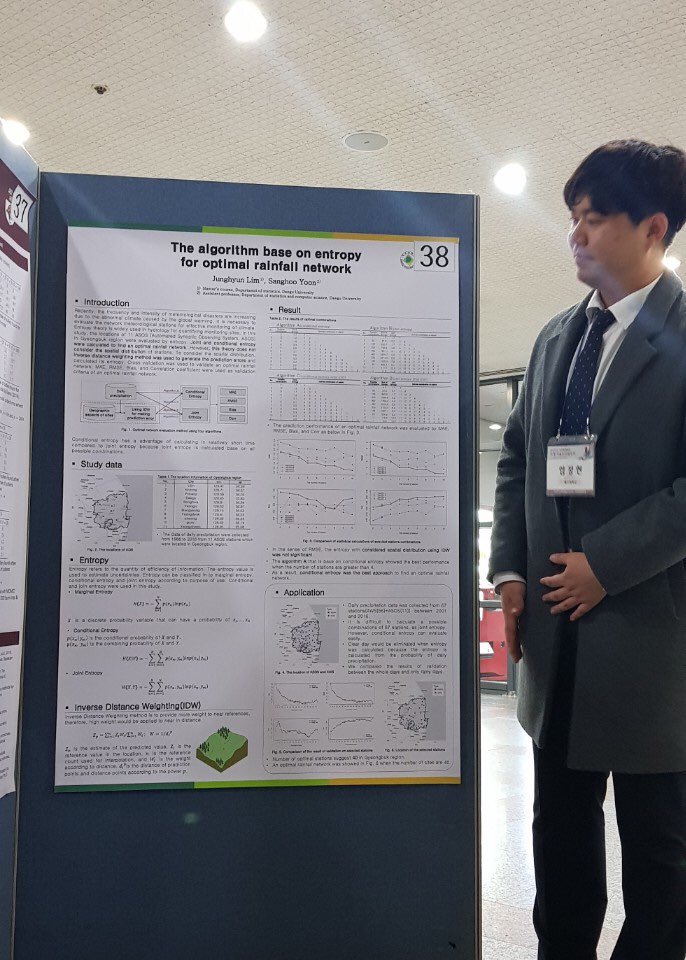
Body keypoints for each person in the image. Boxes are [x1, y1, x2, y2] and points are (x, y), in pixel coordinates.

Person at [488, 140, 686, 960]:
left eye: (594, 218)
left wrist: (605, 564)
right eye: (573, 216)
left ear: (653, 228)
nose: (575, 234)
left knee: (659, 852)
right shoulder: (555, 340)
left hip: (651, 644)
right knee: (560, 840)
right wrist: (508, 568)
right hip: (556, 644)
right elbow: (516, 458)